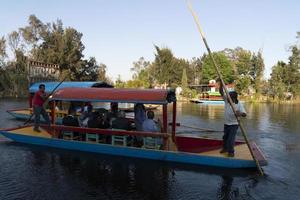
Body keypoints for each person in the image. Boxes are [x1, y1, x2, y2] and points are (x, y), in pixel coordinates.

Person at [219, 83, 247, 157]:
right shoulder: (227, 101)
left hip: (234, 124)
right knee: (225, 137)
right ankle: (225, 148)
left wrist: (240, 113)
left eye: (229, 97)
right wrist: (221, 85)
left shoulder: (239, 104)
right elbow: (221, 92)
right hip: (226, 123)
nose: (227, 98)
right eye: (228, 97)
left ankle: (231, 152)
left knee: (231, 139)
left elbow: (244, 114)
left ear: (233, 98)